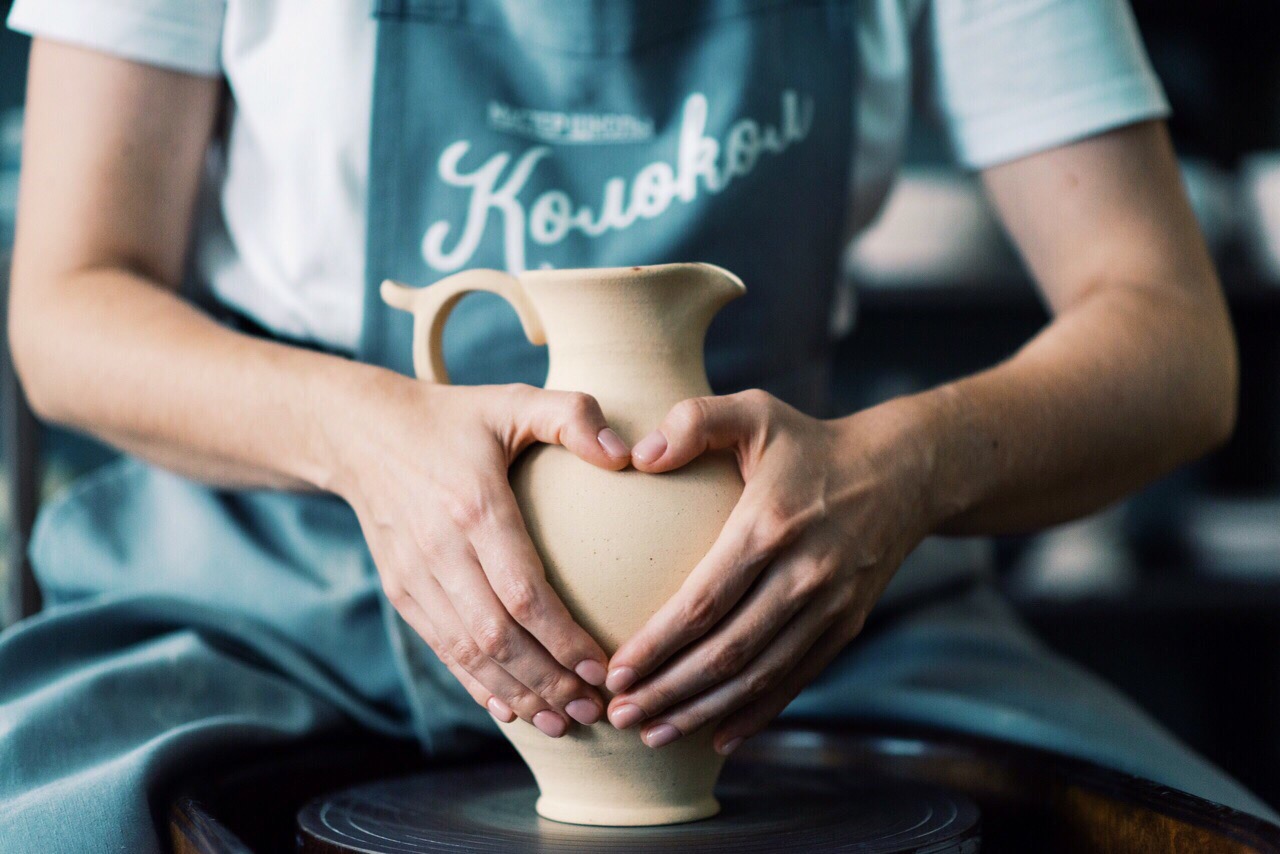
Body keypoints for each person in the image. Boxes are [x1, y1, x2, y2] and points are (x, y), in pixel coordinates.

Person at [2, 0, 1276, 849]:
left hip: (806, 598)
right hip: (266, 584)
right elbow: (68, 303)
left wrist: (910, 466)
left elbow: (1168, 338)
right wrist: (363, 435)